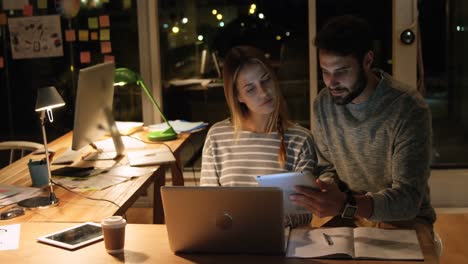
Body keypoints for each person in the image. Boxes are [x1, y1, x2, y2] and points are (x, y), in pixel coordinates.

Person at [290, 15, 436, 229]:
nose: (331, 83)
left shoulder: (408, 108)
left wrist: (346, 204)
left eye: (341, 71)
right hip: (350, 214)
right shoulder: (324, 103)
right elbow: (327, 167)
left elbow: (408, 200)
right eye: (325, 71)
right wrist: (326, 188)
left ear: (368, 61)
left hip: (404, 219)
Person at [200, 45, 316, 226]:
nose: (263, 92)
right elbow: (207, 202)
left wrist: (261, 224)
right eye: (250, 89)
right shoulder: (217, 136)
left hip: (281, 243)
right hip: (229, 239)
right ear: (238, 97)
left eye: (266, 80)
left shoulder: (301, 140)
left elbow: (305, 212)